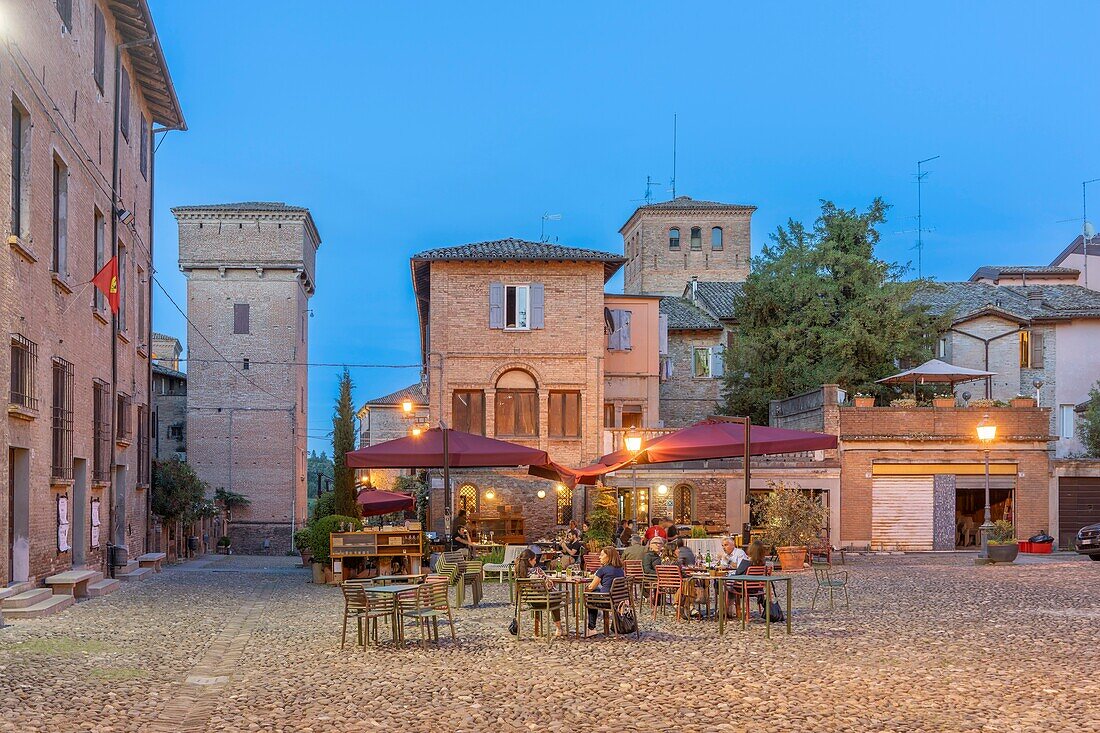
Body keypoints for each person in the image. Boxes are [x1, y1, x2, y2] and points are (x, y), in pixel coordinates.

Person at [514, 547, 564, 637]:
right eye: (534, 560)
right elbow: (549, 585)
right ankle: (559, 628)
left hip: (531, 602)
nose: (535, 562)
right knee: (557, 598)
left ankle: (543, 630)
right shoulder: (537, 571)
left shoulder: (519, 574)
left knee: (552, 598)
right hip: (544, 601)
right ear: (529, 560)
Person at [584, 546, 625, 636]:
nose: (599, 557)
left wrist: (585, 591)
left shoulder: (602, 570)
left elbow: (591, 587)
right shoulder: (621, 570)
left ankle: (591, 628)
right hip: (617, 600)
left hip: (607, 601)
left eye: (602, 555)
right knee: (596, 590)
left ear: (609, 557)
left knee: (590, 595)